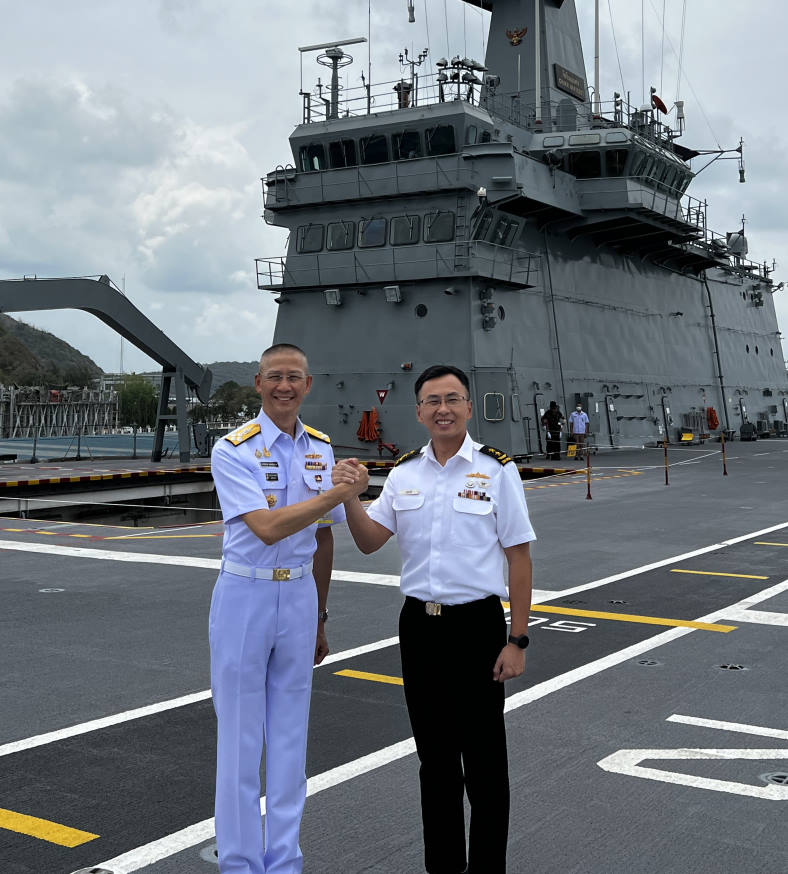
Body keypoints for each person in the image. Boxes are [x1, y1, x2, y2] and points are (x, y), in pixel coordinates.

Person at [332, 364, 536, 874]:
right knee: (435, 761)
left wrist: (518, 640)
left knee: (485, 763)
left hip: (478, 627)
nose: (442, 409)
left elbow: (519, 557)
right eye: (432, 401)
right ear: (419, 411)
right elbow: (369, 541)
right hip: (420, 627)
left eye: (452, 399)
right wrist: (351, 496)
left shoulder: (497, 469)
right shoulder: (403, 474)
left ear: (468, 406)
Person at [209, 343, 366, 874]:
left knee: (291, 735)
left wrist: (320, 617)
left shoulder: (321, 449)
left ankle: (283, 860)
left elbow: (323, 542)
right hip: (245, 595)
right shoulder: (233, 449)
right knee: (239, 735)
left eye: (293, 378)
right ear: (258, 384)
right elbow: (268, 526)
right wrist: (342, 494)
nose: (284, 386)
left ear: (308, 384)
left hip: (298, 595)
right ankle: (237, 860)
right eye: (274, 377)